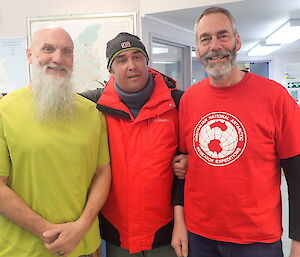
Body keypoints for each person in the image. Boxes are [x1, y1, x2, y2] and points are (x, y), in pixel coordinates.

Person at [171, 6, 300, 257]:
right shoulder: (189, 100)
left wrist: (298, 242)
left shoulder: (275, 97)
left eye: (223, 35)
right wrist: (180, 222)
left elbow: (297, 173)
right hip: (199, 236)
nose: (214, 45)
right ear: (197, 49)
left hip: (257, 240)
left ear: (237, 41)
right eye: (205, 39)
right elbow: (181, 167)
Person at [0, 27, 111, 257]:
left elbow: (102, 172)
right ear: (30, 55)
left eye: (66, 51)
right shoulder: (4, 111)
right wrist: (50, 233)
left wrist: (81, 228)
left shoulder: (92, 113)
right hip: (23, 250)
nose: (58, 59)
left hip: (84, 248)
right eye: (48, 49)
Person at [81, 32, 184, 257]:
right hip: (117, 235)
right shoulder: (92, 105)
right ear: (110, 71)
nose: (131, 65)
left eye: (137, 57)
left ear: (146, 62)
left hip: (167, 233)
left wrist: (190, 161)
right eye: (121, 59)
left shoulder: (178, 103)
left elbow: (199, 147)